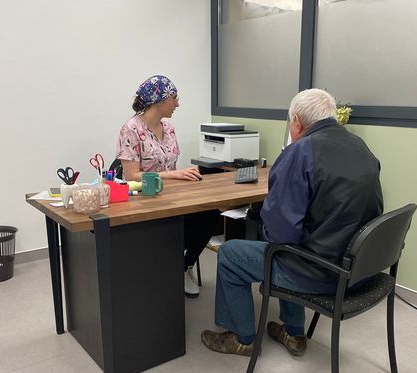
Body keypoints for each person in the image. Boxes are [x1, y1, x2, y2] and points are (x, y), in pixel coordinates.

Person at [201, 88, 383, 357]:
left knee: (231, 253)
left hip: (321, 272)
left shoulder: (300, 152)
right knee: (296, 243)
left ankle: (242, 339)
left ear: (296, 121)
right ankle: (294, 333)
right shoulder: (359, 147)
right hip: (358, 268)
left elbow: (279, 233)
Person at [115, 75, 219, 298]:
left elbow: (170, 166)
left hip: (171, 197)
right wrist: (175, 174)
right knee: (166, 231)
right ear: (158, 100)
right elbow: (132, 175)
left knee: (209, 216)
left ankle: (182, 266)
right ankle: (160, 270)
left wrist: (181, 178)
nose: (178, 103)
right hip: (143, 202)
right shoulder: (131, 129)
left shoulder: (169, 128)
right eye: (174, 98)